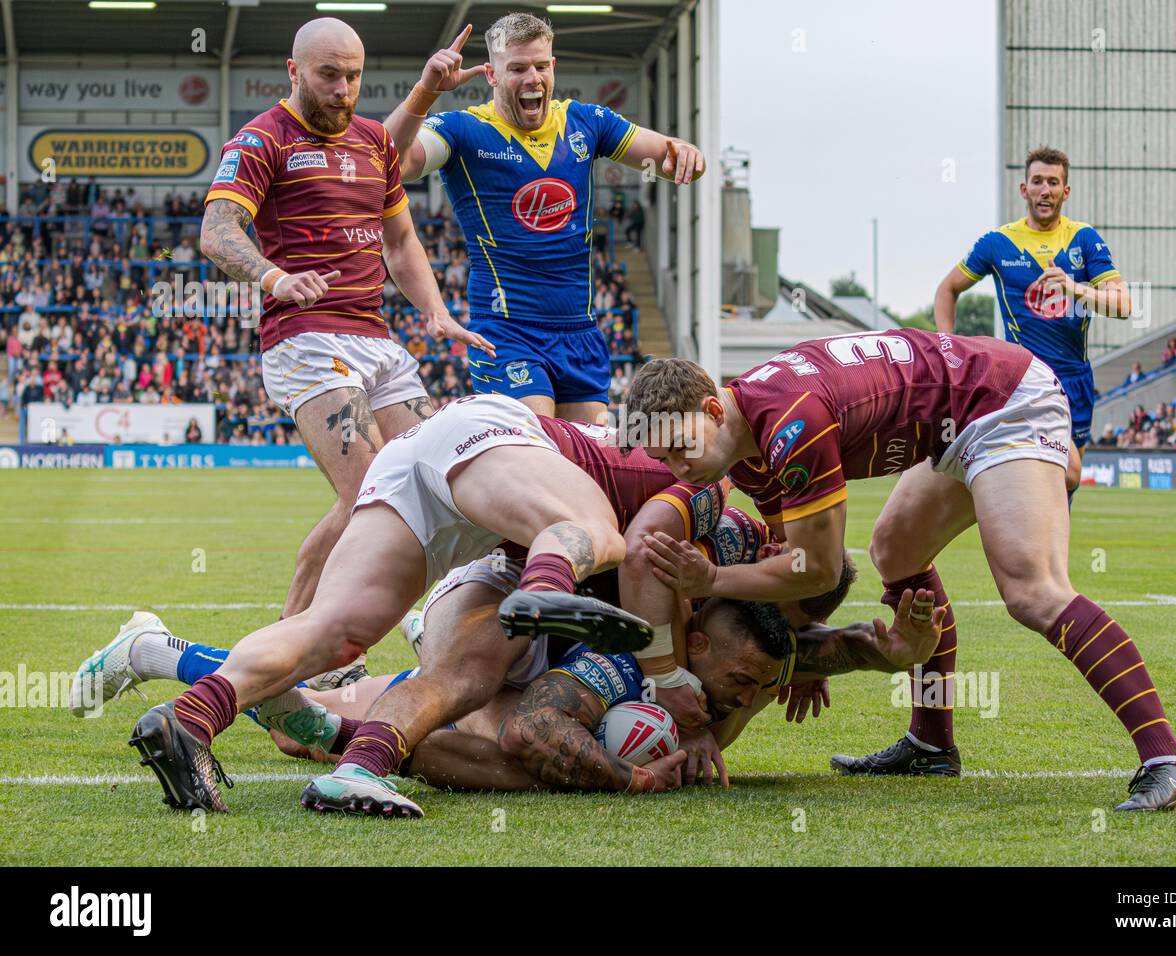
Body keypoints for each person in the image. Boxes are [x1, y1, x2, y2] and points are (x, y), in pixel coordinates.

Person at [625, 330, 1176, 811]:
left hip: (998, 401)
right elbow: (791, 564)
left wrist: (711, 583)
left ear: (709, 409)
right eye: (663, 458)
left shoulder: (788, 423)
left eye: (681, 447)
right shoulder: (744, 444)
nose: (680, 468)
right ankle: (932, 743)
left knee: (1032, 591)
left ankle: (1168, 758)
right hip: (956, 420)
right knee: (896, 551)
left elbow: (821, 569)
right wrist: (794, 645)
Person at [112, 393, 698, 816]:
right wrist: (668, 673)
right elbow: (647, 552)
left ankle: (191, 717)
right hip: (492, 445)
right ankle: (545, 594)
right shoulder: (694, 484)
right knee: (600, 530)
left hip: (429, 457)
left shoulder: (651, 449)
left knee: (334, 634)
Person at [198, 17, 492, 668]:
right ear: (293, 71)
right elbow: (217, 232)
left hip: (378, 341)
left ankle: (291, 640)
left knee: (434, 484)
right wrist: (275, 277)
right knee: (373, 494)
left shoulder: (372, 142)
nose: (343, 88)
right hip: (303, 337)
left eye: (354, 76)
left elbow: (400, 241)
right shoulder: (260, 139)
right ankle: (310, 647)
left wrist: (437, 312)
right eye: (328, 75)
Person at [74, 591, 941, 797]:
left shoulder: (755, 655)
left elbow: (818, 650)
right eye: (743, 683)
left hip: (520, 635)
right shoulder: (629, 667)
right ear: (696, 645)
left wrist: (890, 653)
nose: (750, 695)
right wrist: (626, 778)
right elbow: (533, 737)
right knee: (336, 723)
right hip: (499, 633)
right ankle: (158, 649)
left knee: (316, 715)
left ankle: (181, 659)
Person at [383, 12, 705, 425]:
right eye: (517, 68)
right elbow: (390, 160)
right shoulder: (464, 129)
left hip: (580, 333)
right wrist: (425, 91)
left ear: (553, 67)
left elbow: (671, 160)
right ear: (492, 75)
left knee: (586, 461)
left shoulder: (587, 122)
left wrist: (687, 154)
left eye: (540, 65)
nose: (532, 78)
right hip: (505, 332)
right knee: (537, 445)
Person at [935, 146, 1130, 458]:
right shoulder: (998, 243)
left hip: (1074, 376)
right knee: (1043, 466)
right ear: (1024, 190)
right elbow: (947, 289)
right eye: (1037, 181)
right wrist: (948, 348)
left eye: (1053, 183)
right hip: (1021, 376)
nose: (1045, 190)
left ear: (1065, 192)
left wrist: (1074, 289)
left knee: (1069, 477)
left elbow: (1123, 306)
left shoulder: (1084, 238)